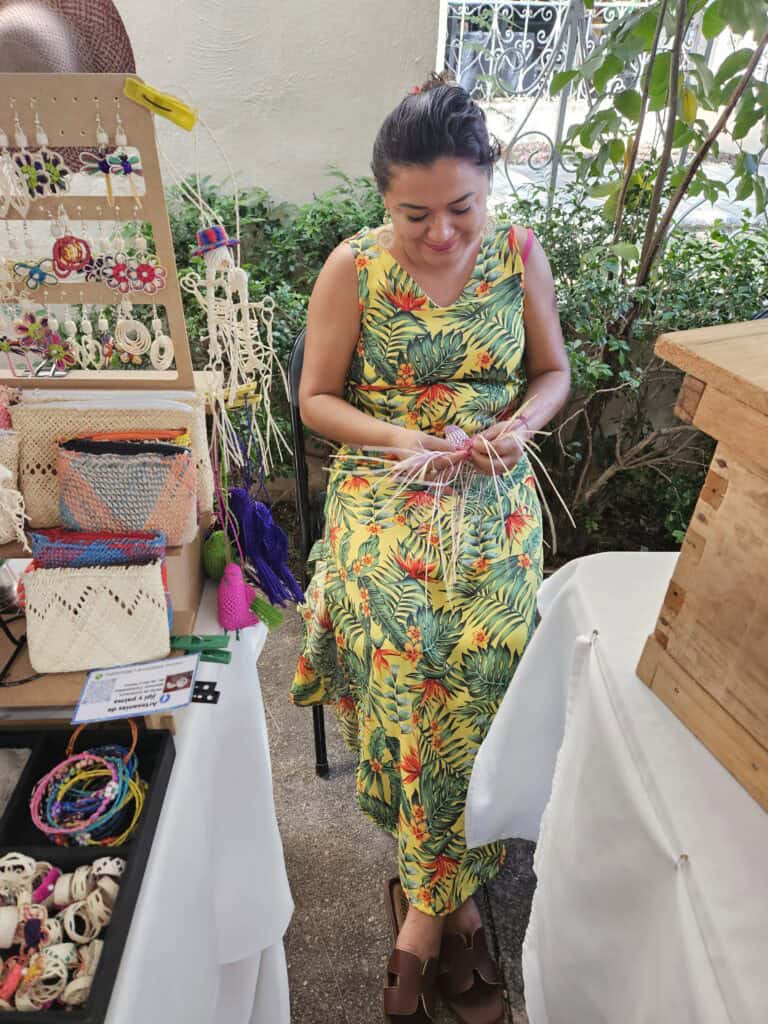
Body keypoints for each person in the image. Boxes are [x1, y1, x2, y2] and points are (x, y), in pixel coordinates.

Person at [291, 72, 570, 1023]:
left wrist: (522, 427)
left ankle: (423, 905)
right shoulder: (352, 268)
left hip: (494, 483)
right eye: (416, 214)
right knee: (410, 632)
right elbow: (318, 400)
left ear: (489, 188)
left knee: (485, 644)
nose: (443, 232)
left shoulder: (520, 254)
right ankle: (450, 918)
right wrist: (402, 439)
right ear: (383, 198)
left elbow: (552, 373)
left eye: (463, 207)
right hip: (388, 483)